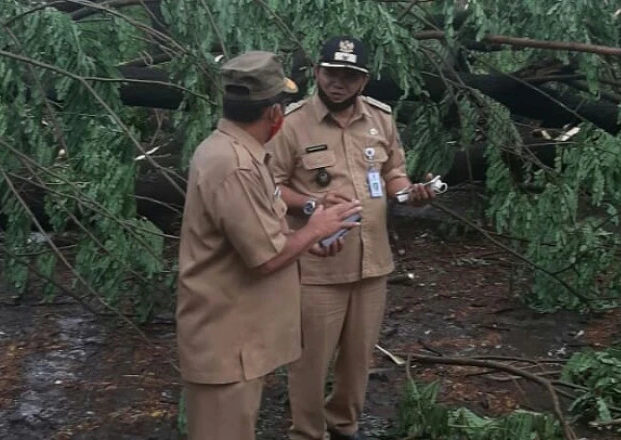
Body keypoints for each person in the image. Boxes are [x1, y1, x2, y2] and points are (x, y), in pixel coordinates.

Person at [175, 50, 362, 440]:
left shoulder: (238, 151)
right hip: (226, 343)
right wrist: (315, 228)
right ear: (276, 114)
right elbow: (265, 259)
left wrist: (307, 240)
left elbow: (263, 233)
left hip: (242, 341)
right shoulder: (235, 165)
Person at [267, 37, 435, 440]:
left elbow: (393, 171)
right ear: (317, 73)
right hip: (318, 264)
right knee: (310, 361)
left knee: (358, 359)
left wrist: (408, 192)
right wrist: (310, 205)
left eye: (349, 76)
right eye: (331, 73)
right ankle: (307, 432)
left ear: (363, 80)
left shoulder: (380, 119)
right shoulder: (291, 123)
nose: (338, 83)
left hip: (372, 261)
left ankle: (344, 426)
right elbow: (268, 187)